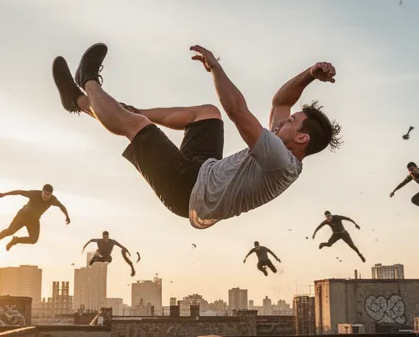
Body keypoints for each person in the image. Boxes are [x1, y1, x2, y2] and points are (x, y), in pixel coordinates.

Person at [51, 43, 341, 229]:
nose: (282, 122)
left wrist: (216, 68)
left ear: (302, 139)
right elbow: (280, 102)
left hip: (186, 190)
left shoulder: (280, 160)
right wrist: (309, 74)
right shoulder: (283, 146)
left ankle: (86, 81)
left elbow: (238, 110)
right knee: (207, 112)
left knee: (135, 126)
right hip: (204, 169)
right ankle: (115, 109)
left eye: (291, 122)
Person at [0, 184, 70, 253]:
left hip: (34, 221)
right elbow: (19, 192)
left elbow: (62, 207)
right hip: (22, 216)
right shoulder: (34, 194)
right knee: (10, 231)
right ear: (42, 192)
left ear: (51, 195)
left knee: (33, 240)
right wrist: (4, 194)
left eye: (49, 195)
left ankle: (16, 240)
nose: (46, 196)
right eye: (45, 194)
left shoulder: (53, 200)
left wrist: (67, 216)